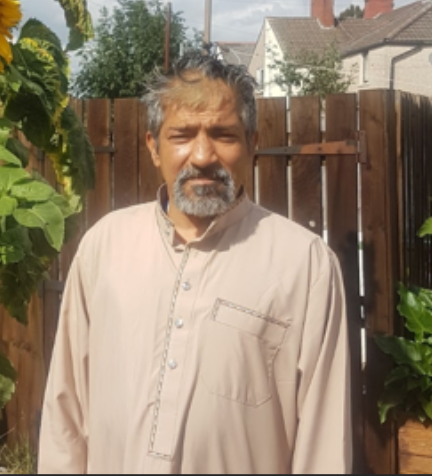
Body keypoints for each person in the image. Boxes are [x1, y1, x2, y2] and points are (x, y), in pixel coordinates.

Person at [38, 50, 352, 474]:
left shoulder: (305, 264)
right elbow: (66, 413)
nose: (203, 155)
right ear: (154, 147)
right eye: (182, 135)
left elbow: (324, 442)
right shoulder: (104, 247)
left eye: (223, 134)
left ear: (252, 144)